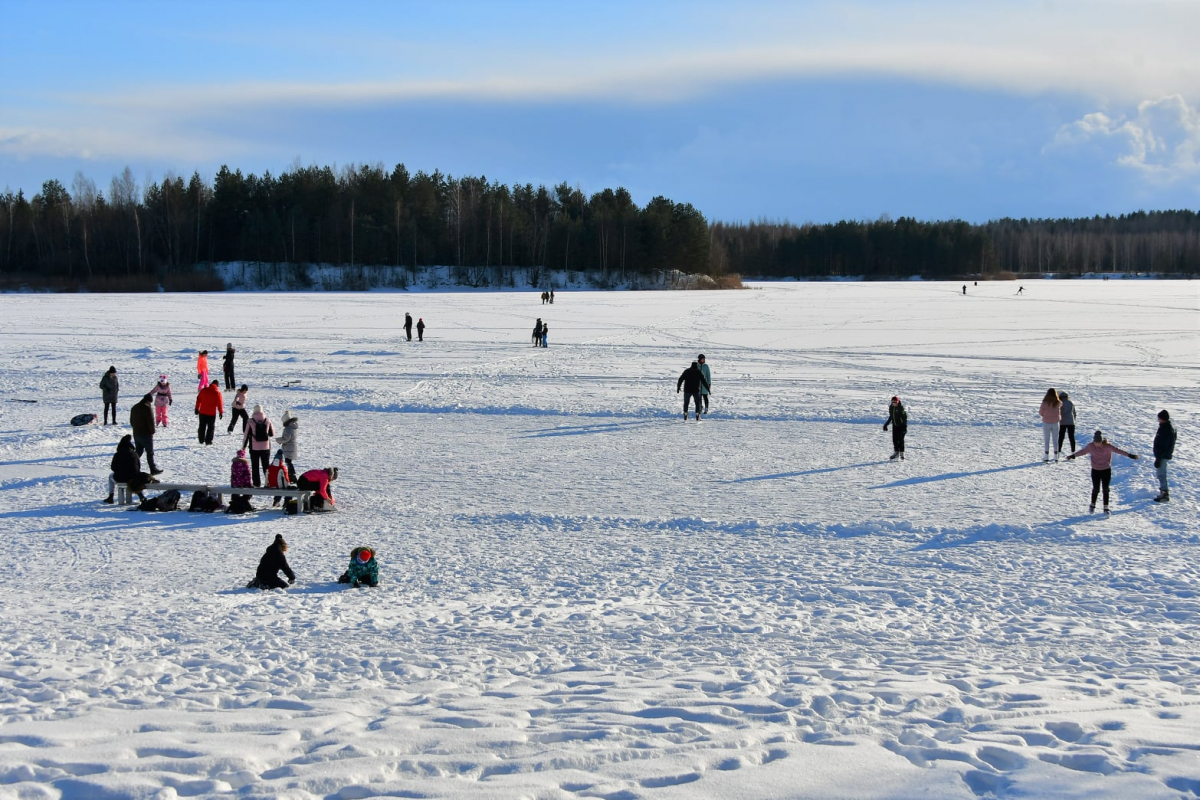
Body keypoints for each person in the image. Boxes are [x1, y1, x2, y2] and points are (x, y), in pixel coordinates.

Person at [1066, 430, 1138, 514]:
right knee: (1096, 488)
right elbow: (1083, 451)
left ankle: (1106, 507)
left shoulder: (1107, 446)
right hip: (1095, 470)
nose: (1097, 444)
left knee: (1106, 489)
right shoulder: (1091, 446)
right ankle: (1092, 505)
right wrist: (1073, 455)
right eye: (1095, 442)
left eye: (1098, 442)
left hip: (1106, 470)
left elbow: (1118, 451)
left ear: (1101, 441)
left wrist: (1130, 455)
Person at [103, 434, 149, 504]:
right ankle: (141, 495)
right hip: (133, 477)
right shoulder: (134, 453)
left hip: (120, 478)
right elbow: (138, 466)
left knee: (110, 476)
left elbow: (113, 467)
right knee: (136, 478)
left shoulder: (118, 454)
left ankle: (111, 496)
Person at [242, 404, 276, 486]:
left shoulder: (250, 421)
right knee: (266, 466)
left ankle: (257, 483)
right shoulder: (267, 420)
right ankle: (268, 482)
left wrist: (243, 446)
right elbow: (272, 434)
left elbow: (246, 435)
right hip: (266, 447)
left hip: (254, 448)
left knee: (255, 466)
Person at [129, 393, 162, 474]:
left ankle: (131, 466)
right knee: (150, 452)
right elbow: (150, 421)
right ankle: (153, 469)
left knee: (138, 452)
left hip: (136, 433)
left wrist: (136, 429)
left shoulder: (134, 407)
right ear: (149, 401)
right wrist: (152, 431)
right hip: (146, 434)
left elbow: (131, 421)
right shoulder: (147, 408)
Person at [1153, 409, 1177, 503]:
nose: (1158, 420)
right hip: (1162, 455)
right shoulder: (1165, 427)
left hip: (1162, 456)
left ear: (1163, 419)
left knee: (1161, 474)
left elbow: (1165, 445)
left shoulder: (1166, 429)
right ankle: (1163, 492)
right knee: (1161, 474)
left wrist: (1158, 458)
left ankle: (1164, 494)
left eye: (1159, 418)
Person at [194, 380, 224, 445]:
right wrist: (221, 412)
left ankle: (201, 439)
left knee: (202, 425)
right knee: (211, 427)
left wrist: (196, 408)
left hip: (202, 412)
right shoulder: (217, 393)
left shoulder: (203, 390)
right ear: (217, 385)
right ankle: (208, 441)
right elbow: (220, 404)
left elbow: (198, 399)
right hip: (211, 413)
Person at [1038, 388, 1063, 461]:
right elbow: (1061, 404)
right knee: (1055, 440)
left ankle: (1046, 455)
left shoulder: (1044, 403)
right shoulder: (1058, 402)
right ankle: (1056, 455)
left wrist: (1045, 415)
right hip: (1055, 422)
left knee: (1047, 439)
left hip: (1046, 422)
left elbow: (1040, 412)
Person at [228, 449, 254, 514]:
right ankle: (244, 502)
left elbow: (233, 474)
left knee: (235, 494)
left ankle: (236, 503)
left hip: (235, 483)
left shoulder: (234, 463)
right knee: (248, 493)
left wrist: (233, 483)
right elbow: (248, 475)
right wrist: (249, 484)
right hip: (243, 484)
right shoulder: (245, 463)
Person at [276, 409, 299, 482]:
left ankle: (292, 475)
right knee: (289, 461)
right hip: (292, 447)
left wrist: (278, 440)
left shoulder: (288, 429)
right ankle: (291, 475)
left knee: (288, 462)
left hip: (288, 448)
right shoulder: (293, 427)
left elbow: (285, 439)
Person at [883, 396, 908, 460]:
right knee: (895, 440)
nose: (894, 403)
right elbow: (891, 417)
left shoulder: (901, 408)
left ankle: (902, 453)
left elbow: (905, 419)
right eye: (892, 402)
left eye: (895, 402)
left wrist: (904, 427)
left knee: (901, 440)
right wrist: (886, 425)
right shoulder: (891, 408)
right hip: (895, 426)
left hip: (901, 426)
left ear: (898, 402)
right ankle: (896, 452)